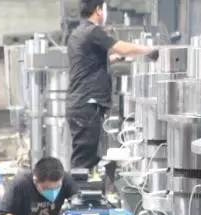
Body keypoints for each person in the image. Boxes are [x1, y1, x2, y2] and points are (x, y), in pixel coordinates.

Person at [67, 0, 158, 170]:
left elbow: (88, 63)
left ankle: (83, 186)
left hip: (81, 104)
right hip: (87, 105)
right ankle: (79, 187)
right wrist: (149, 50)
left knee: (87, 158)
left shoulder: (77, 33)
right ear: (99, 10)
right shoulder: (93, 31)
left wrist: (116, 59)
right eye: (105, 8)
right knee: (84, 163)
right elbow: (121, 47)